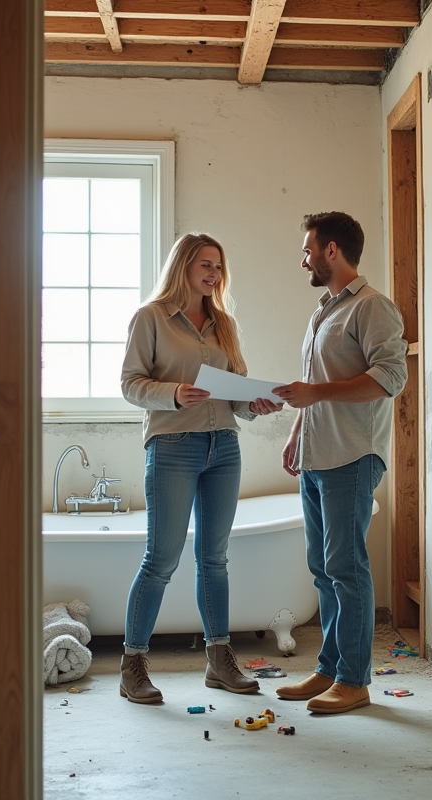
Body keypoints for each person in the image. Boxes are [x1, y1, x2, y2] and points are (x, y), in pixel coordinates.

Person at [119, 232, 284, 704]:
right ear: (183, 267)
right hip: (173, 445)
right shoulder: (150, 318)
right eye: (204, 265)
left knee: (214, 559)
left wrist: (257, 406)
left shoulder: (223, 324)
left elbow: (236, 394)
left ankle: (219, 659)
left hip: (223, 448)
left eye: (218, 266)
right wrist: (173, 393)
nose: (213, 273)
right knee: (161, 560)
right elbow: (130, 384)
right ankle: (133, 665)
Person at [271, 211, 408, 715]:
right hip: (317, 455)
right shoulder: (323, 309)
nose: (302, 257)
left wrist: (315, 396)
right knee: (323, 569)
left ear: (333, 250)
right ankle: (329, 669)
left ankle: (354, 680)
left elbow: (391, 377)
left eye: (308, 248)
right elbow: (313, 382)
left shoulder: (373, 308)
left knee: (346, 568)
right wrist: (295, 432)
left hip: (352, 456)